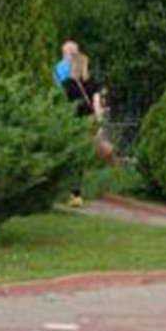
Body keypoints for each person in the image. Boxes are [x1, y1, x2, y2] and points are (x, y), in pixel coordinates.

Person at [53, 39, 102, 207]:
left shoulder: (64, 83)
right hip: (86, 124)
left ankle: (58, 189)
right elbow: (97, 105)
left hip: (68, 122)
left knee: (64, 155)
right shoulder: (93, 82)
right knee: (78, 158)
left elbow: (57, 102)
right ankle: (75, 194)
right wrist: (99, 124)